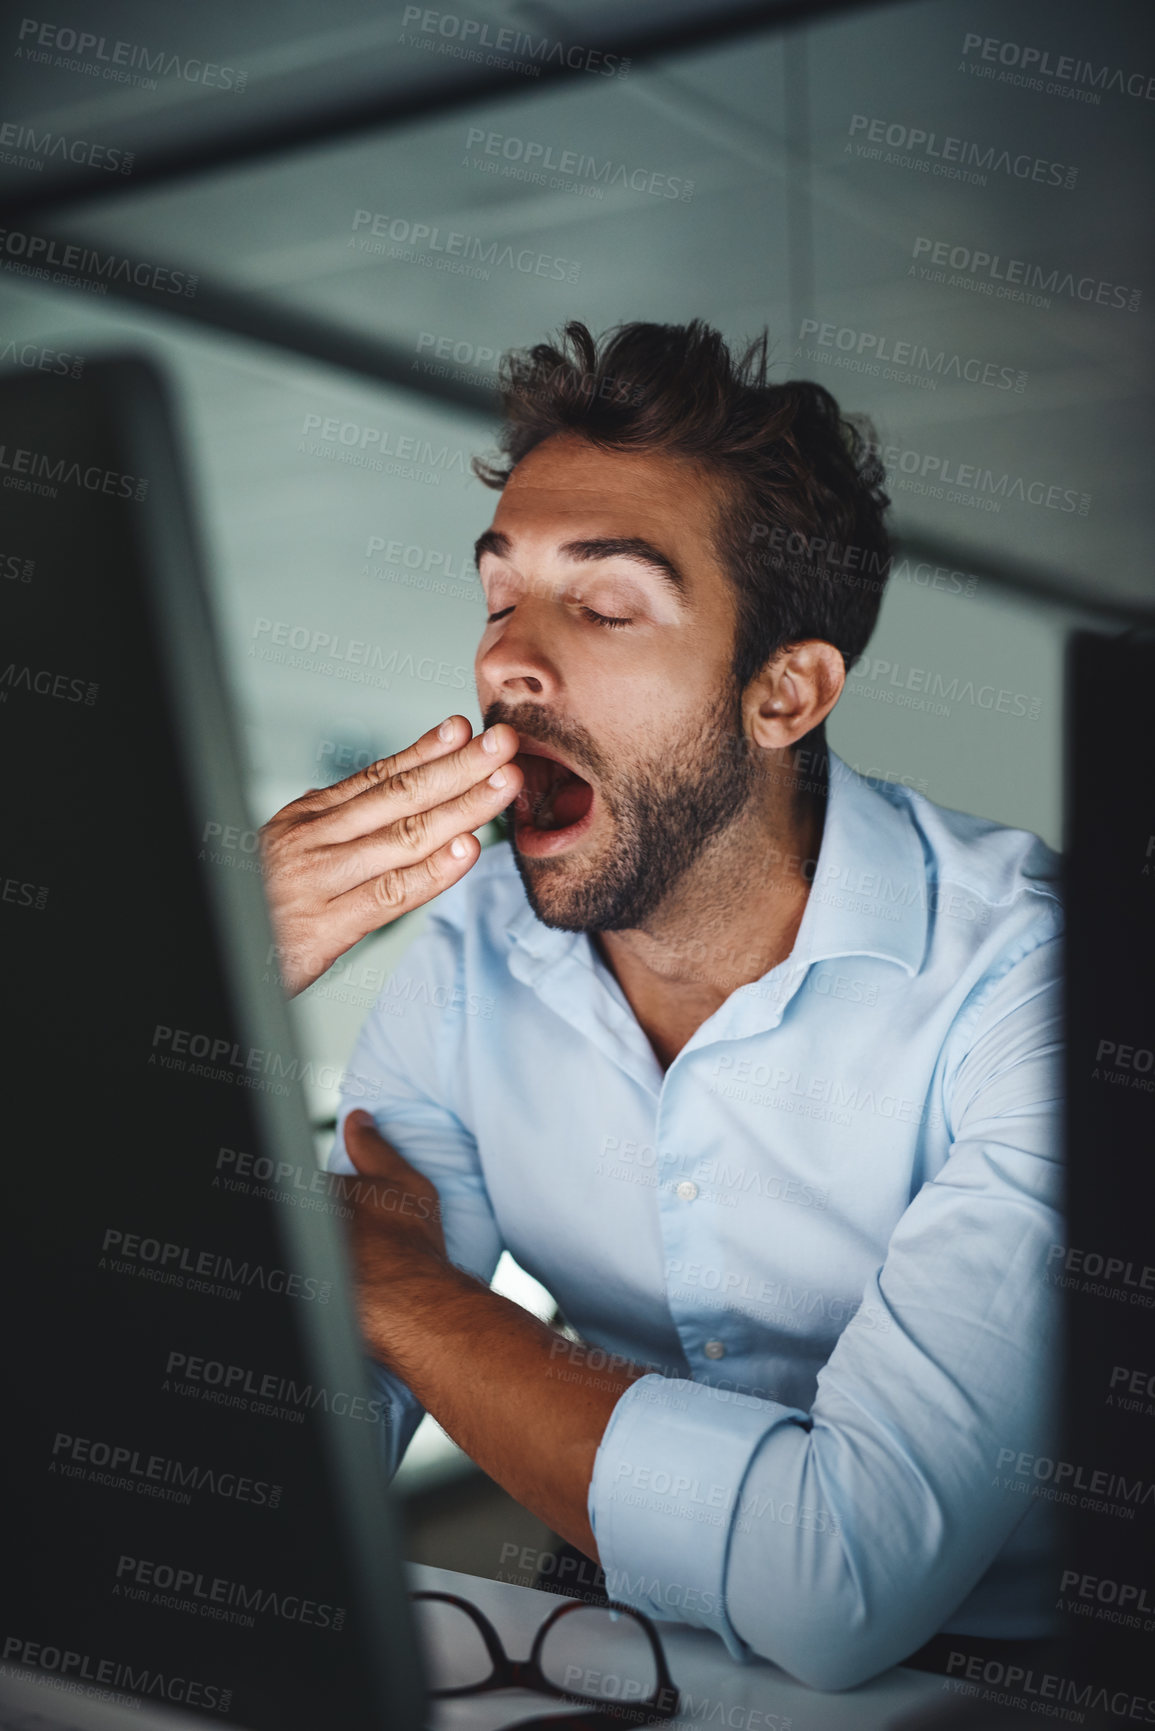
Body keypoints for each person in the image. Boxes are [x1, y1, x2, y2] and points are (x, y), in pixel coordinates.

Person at [259, 321, 1063, 1691]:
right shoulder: (472, 949)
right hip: (622, 1618)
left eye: (606, 604)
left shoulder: (1039, 990)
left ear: (784, 693)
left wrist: (392, 1287)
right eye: (499, 598)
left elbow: (841, 1581)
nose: (508, 660)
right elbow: (263, 1470)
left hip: (1011, 1672)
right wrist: (198, 992)